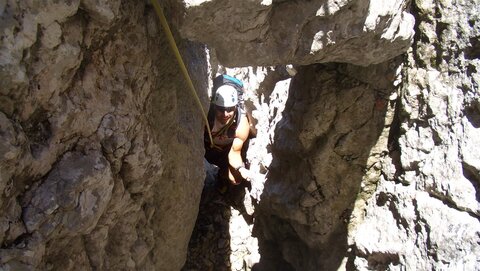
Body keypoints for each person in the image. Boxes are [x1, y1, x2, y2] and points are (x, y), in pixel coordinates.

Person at [204, 83, 251, 190]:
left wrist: (240, 169)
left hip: (225, 152)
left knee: (236, 179)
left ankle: (222, 177)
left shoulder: (241, 124)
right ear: (214, 106)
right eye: (221, 109)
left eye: (230, 109)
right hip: (205, 147)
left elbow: (235, 152)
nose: (225, 114)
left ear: (235, 107)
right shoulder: (206, 116)